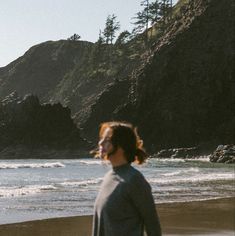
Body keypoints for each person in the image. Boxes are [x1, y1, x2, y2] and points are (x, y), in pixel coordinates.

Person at [92, 121, 162, 236]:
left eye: (107, 140)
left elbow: (152, 225)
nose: (100, 143)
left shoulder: (134, 180)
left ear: (121, 146)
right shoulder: (109, 177)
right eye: (102, 139)